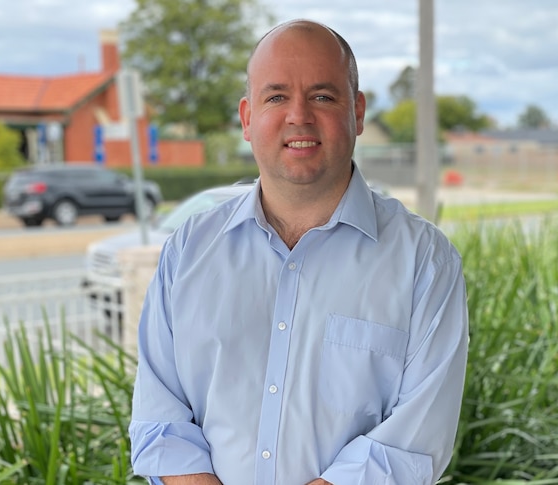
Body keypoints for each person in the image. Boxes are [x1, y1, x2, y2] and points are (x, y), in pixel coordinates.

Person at [129, 19, 469, 485]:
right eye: (276, 97)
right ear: (248, 119)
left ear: (359, 111)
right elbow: (160, 420)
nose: (299, 116)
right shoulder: (188, 251)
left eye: (323, 96)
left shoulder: (425, 263)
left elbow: (411, 445)